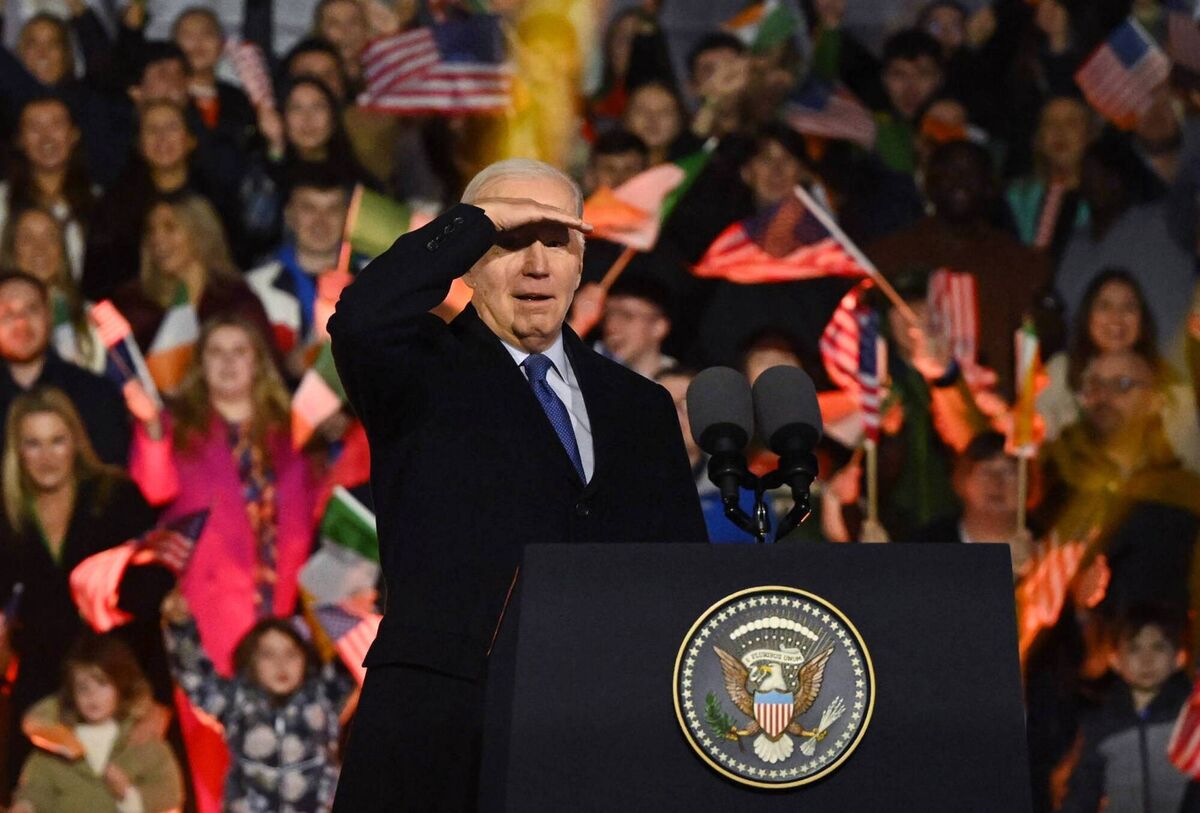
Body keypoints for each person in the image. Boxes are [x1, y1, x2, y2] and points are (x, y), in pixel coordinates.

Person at [328, 158, 706, 810]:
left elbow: (679, 574)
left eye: (555, 241)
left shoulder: (639, 406)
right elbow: (361, 316)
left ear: (582, 261)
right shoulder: (417, 371)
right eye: (510, 240)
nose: (536, 264)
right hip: (438, 737)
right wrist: (477, 221)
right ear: (470, 260)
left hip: (594, 738)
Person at [127, 314, 318, 812]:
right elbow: (152, 488)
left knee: (289, 766)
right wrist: (149, 430)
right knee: (216, 770)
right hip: (206, 626)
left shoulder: (289, 434)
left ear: (258, 364)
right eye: (216, 352)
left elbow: (320, 509)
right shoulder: (177, 428)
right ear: (200, 366)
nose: (229, 363)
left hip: (280, 629)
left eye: (240, 351)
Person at [0, 387, 156, 782]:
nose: (47, 456)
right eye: (33, 444)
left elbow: (151, 608)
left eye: (57, 440)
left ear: (76, 441)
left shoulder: (118, 498)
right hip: (38, 700)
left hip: (118, 693)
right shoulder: (6, 516)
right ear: (17, 453)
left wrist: (158, 700)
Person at [161, 589, 354, 813]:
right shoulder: (237, 700)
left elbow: (354, 651)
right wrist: (180, 625)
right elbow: (195, 676)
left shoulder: (324, 695)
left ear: (305, 658)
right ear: (251, 660)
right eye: (268, 655)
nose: (281, 665)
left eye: (290, 654)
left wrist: (355, 611)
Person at [111, 193, 275, 394]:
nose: (157, 239)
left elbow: (267, 372)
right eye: (151, 231)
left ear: (201, 232)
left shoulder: (236, 299)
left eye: (169, 227)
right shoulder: (134, 304)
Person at [1038, 269, 1200, 470]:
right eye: (1105, 306)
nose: (1116, 318)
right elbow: (1034, 437)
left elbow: (1189, 469)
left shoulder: (1175, 392)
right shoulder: (1060, 371)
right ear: (1088, 316)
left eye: (1128, 307)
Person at [10, 633, 184, 813]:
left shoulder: (143, 742)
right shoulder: (57, 745)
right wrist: (25, 805)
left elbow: (168, 793)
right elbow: (36, 789)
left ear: (120, 685)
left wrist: (129, 794)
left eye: (102, 684)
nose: (92, 696)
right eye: (83, 687)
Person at [1058, 605, 1192, 813]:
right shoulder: (1102, 724)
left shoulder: (1189, 719)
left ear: (1178, 659)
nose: (1146, 660)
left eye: (1158, 647)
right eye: (1134, 648)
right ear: (1115, 660)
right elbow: (1083, 792)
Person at [0, 273, 129, 464]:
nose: (21, 322)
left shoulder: (96, 394)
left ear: (49, 316)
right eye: (7, 314)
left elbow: (108, 480)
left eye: (31, 310)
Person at [246, 167, 353, 373]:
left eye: (332, 209)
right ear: (289, 215)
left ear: (348, 217)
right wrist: (284, 364)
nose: (320, 222)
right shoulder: (253, 288)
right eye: (308, 208)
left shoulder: (373, 283)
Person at [905, 431, 1034, 576]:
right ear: (963, 480)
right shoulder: (925, 547)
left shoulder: (1048, 548)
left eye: (1008, 472)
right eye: (985, 472)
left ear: (1027, 483)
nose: (996, 482)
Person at [0, 96, 95, 280]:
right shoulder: (2, 201)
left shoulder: (100, 202)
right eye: (34, 127)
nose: (46, 137)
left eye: (56, 125)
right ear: (20, 140)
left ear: (74, 134)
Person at [0, 206, 104, 372]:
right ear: (11, 249)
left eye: (50, 237)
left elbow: (129, 383)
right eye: (27, 238)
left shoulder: (100, 316)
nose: (40, 248)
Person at [595, 273, 674, 379]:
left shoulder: (679, 385)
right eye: (607, 315)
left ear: (658, 327)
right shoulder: (585, 363)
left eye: (627, 316)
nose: (611, 326)